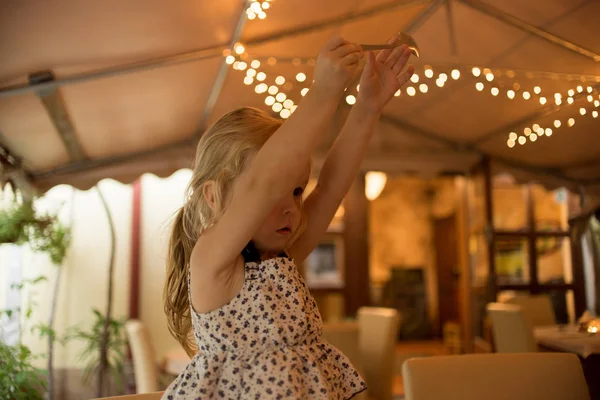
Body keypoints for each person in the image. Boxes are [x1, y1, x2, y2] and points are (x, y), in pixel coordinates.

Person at [162, 34, 414, 399]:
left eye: (296, 192)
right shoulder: (214, 264)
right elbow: (264, 182)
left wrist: (368, 107)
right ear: (214, 197)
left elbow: (328, 188)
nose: (291, 209)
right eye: (273, 196)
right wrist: (324, 93)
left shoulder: (280, 259)